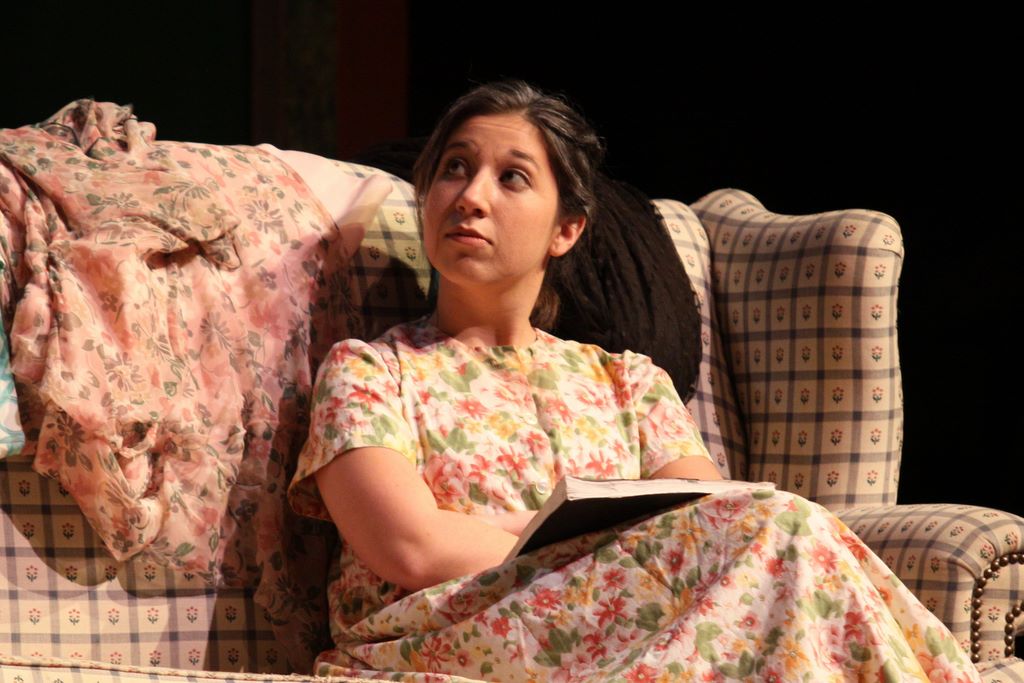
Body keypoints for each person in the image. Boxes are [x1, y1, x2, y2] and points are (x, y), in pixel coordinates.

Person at [288, 81, 979, 682]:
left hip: (626, 622)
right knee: (783, 532)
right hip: (439, 634)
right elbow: (411, 546)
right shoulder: (370, 370)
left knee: (779, 529)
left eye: (512, 177)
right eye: (454, 169)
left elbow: (710, 518)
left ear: (566, 229)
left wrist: (587, 550)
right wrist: (605, 556)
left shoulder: (627, 380)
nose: (470, 196)